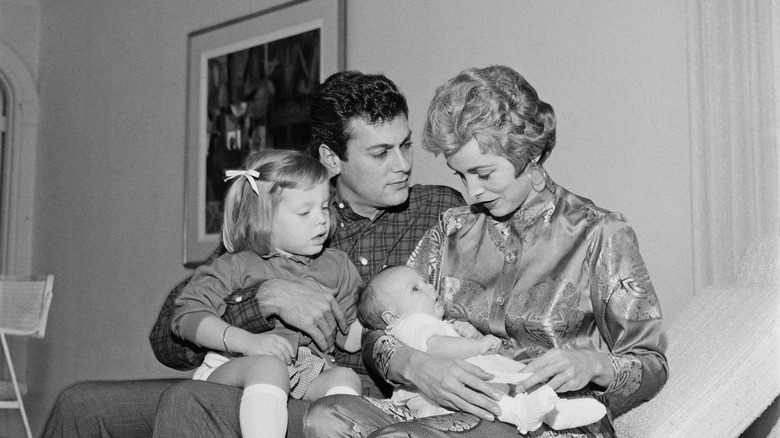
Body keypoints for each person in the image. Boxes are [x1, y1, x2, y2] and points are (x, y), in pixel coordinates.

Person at [41, 71, 466, 438]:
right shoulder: (278, 212)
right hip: (252, 375)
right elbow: (167, 341)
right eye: (381, 153)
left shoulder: (437, 211)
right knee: (81, 405)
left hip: (341, 392)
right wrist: (262, 299)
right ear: (331, 159)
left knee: (189, 400)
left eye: (405, 145)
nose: (404, 165)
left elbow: (445, 316)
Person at [304, 65, 668, 438]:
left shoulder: (600, 234)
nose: (472, 192)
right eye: (461, 176)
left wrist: (593, 365)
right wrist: (416, 366)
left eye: (484, 173)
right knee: (327, 417)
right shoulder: (451, 229)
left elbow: (651, 363)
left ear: (529, 154)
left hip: (546, 421)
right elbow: (381, 328)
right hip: (447, 409)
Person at [172, 149, 364, 438]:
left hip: (304, 372)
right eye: (304, 211)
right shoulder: (235, 265)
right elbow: (186, 317)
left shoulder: (338, 266)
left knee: (346, 377)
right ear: (264, 218)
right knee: (269, 367)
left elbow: (347, 338)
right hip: (234, 366)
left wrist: (397, 324)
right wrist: (247, 342)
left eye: (325, 206)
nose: (321, 220)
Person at [357, 265, 608, 434]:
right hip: (439, 401)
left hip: (461, 386)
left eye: (424, 281)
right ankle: (526, 413)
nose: (428, 287)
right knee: (491, 399)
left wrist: (467, 334)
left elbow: (443, 338)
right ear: (392, 316)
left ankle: (551, 412)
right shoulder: (409, 324)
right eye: (415, 289)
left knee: (502, 389)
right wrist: (476, 344)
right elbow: (435, 346)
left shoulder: (430, 322)